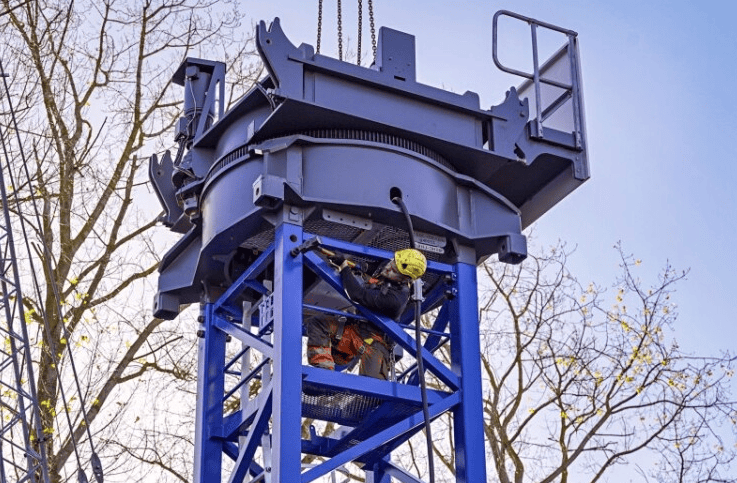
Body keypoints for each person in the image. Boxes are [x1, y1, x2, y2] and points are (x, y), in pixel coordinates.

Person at [306, 248, 427, 380]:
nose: (388, 269)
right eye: (392, 263)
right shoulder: (387, 266)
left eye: (394, 271)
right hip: (356, 329)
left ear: (404, 279)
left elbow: (357, 295)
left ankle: (362, 382)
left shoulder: (395, 299)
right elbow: (369, 268)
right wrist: (355, 266)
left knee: (372, 385)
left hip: (375, 341)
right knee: (319, 323)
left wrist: (344, 267)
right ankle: (324, 373)